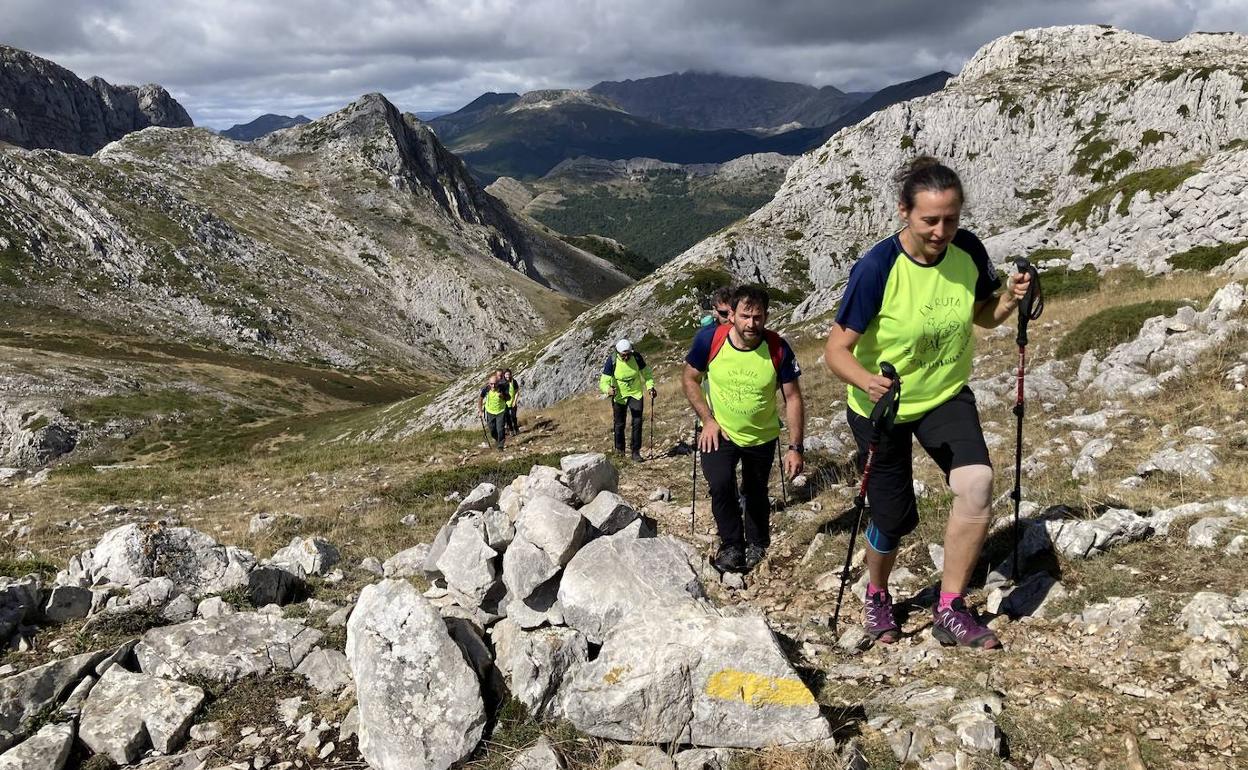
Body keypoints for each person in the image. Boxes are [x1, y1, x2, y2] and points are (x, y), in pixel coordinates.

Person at [823, 156, 1033, 650]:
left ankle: (951, 608)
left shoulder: (968, 251)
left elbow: (984, 316)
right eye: (930, 220)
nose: (942, 231)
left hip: (944, 394)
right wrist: (868, 382)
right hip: (884, 405)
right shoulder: (877, 268)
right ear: (904, 213)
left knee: (977, 483)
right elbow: (835, 350)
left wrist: (1009, 299)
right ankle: (877, 592)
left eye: (952, 218)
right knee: (893, 521)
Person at [683, 285, 804, 574]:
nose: (752, 323)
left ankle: (758, 543)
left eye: (758, 317)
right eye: (745, 316)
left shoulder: (777, 348)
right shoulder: (710, 340)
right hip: (719, 432)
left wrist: (795, 447)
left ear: (766, 316)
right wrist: (708, 420)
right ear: (732, 315)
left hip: (761, 436)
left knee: (755, 490)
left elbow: (794, 397)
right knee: (721, 485)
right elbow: (689, 379)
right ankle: (731, 545)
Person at [600, 339, 656, 462]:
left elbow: (646, 373)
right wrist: (608, 389)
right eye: (623, 355)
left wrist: (650, 387)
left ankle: (635, 452)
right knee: (619, 424)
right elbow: (603, 381)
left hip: (635, 394)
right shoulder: (612, 360)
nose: (626, 357)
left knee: (637, 422)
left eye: (628, 354)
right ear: (618, 353)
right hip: (619, 396)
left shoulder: (636, 357)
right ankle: (620, 452)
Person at [478, 370, 511, 451]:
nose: (493, 386)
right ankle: (497, 440)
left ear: (498, 383)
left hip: (501, 411)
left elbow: (508, 398)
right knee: (492, 430)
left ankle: (500, 446)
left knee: (500, 429)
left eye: (495, 384)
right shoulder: (486, 389)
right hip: (490, 412)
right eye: (491, 384)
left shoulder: (502, 388)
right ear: (489, 383)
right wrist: (480, 411)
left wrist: (502, 396)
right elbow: (480, 399)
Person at [503, 369, 520, 434]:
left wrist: (514, 401)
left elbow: (517, 392)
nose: (508, 376)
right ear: (504, 375)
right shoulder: (502, 383)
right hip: (505, 403)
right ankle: (511, 430)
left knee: (513, 416)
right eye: (506, 374)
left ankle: (516, 429)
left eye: (509, 374)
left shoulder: (514, 381)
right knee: (507, 417)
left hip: (513, 402)